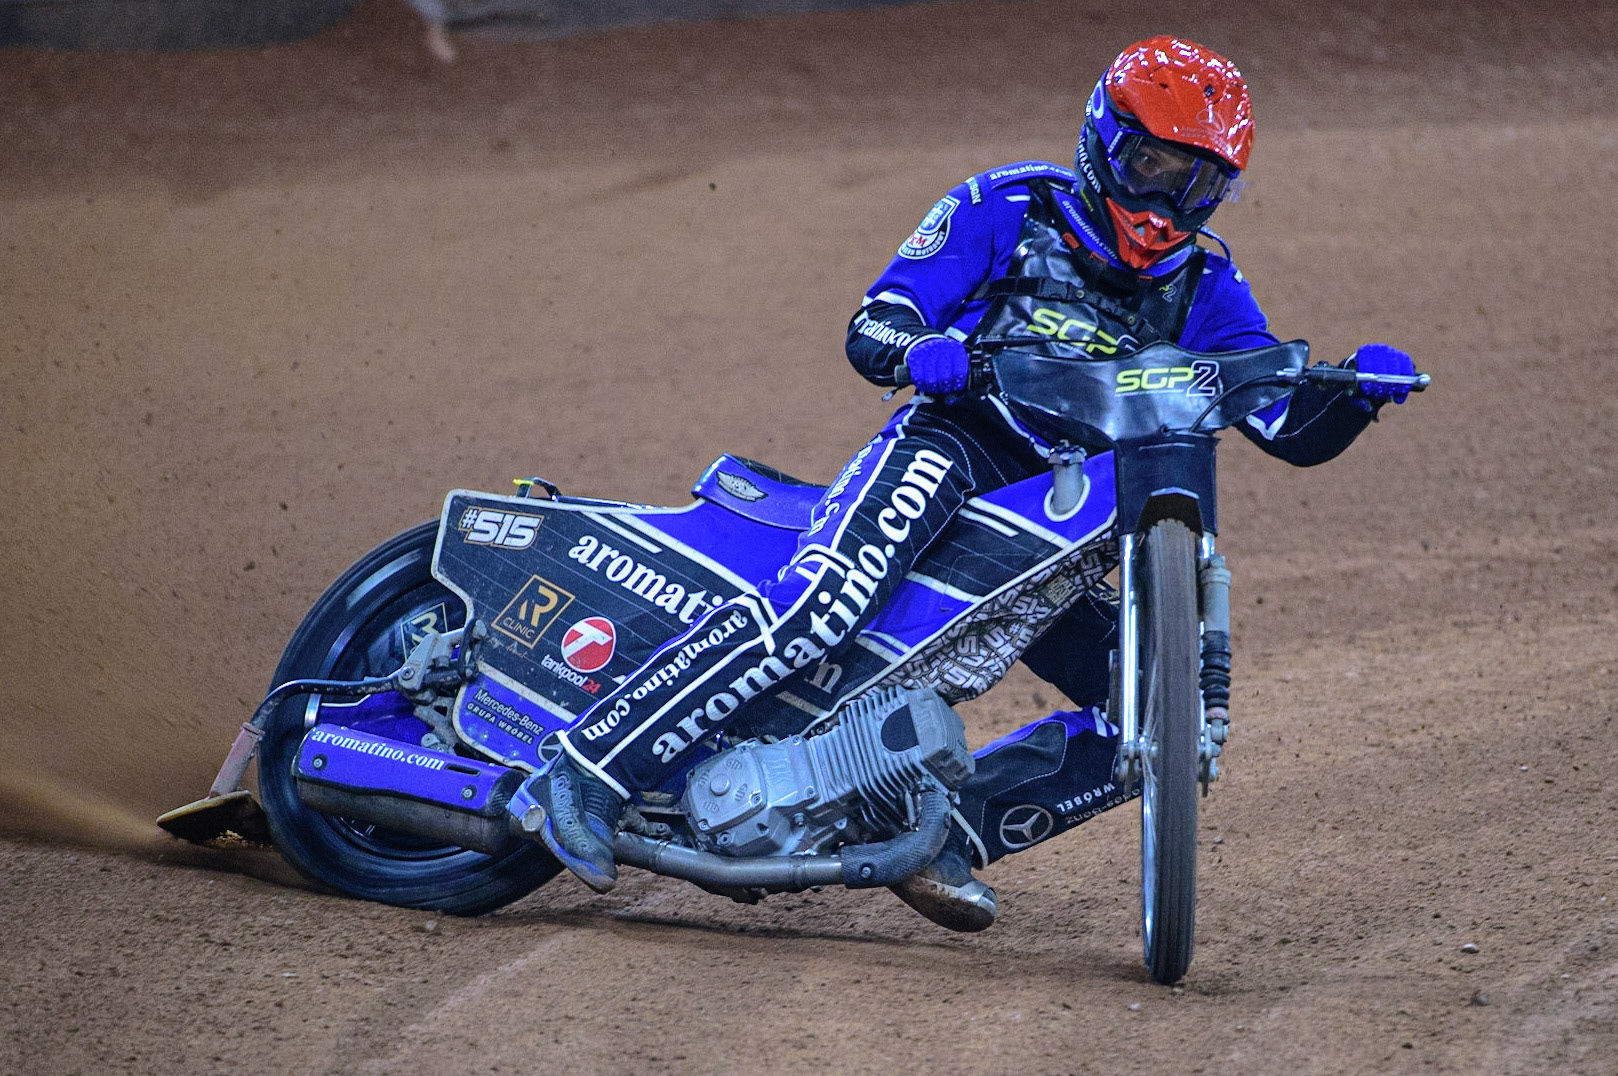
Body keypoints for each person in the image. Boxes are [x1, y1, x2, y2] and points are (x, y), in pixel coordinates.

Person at [513, 35, 1416, 931]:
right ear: (1103, 139)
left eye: (1197, 185)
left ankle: (947, 835)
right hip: (954, 448)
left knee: (1160, 714)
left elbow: (1283, 424)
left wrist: (1353, 397)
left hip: (1059, 520)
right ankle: (585, 773)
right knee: (824, 604)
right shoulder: (1005, 205)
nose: (1167, 202)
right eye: (1151, 166)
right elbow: (874, 326)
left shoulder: (1208, 282)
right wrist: (924, 351)